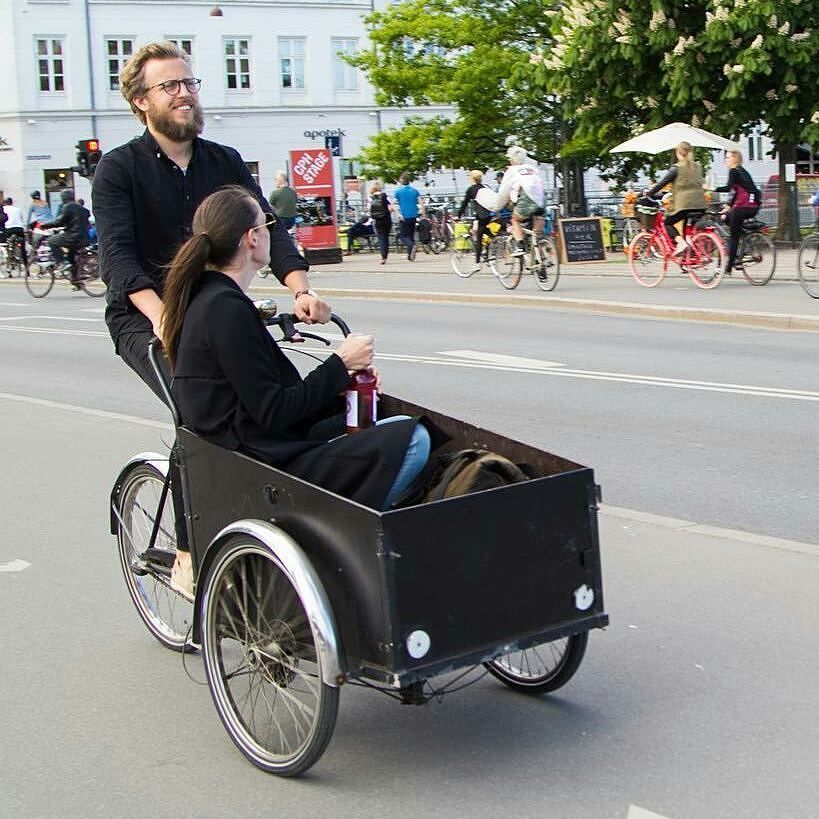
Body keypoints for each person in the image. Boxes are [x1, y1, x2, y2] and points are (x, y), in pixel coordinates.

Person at [92, 40, 330, 598]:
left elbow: (266, 228)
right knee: (195, 415)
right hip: (145, 316)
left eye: (189, 83)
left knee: (267, 403)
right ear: (140, 102)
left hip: (217, 311)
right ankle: (187, 554)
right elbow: (118, 259)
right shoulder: (118, 169)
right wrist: (162, 316)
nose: (184, 94)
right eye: (169, 86)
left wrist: (301, 290)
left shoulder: (221, 161)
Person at [162, 185, 431, 525]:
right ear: (252, 238)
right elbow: (273, 411)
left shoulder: (209, 299)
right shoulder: (224, 309)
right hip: (266, 464)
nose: (273, 232)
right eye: (267, 224)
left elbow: (263, 402)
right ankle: (356, 531)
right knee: (414, 439)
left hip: (250, 451)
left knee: (379, 422)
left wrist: (341, 385)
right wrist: (340, 362)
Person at [644, 141, 707, 256]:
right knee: (686, 233)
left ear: (678, 153)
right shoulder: (698, 167)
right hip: (701, 205)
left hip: (685, 205)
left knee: (667, 223)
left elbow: (662, 183)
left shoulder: (676, 168)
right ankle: (687, 260)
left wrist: (649, 193)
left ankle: (681, 243)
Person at [713, 150, 761, 275]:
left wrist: (712, 188)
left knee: (733, 236)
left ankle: (728, 268)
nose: (726, 160)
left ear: (735, 159)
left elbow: (728, 188)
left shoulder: (733, 171)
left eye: (728, 157)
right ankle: (744, 237)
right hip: (753, 207)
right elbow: (739, 192)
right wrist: (729, 206)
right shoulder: (743, 171)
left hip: (743, 208)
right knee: (728, 219)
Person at [496, 145, 546, 255]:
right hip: (541, 198)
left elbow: (503, 192)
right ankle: (540, 250)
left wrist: (497, 207)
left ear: (512, 159)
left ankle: (520, 246)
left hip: (527, 198)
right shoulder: (533, 168)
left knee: (515, 219)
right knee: (538, 223)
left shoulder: (511, 171)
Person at [40, 190, 90, 284]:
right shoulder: (83, 209)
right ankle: (75, 280)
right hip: (84, 238)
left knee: (52, 241)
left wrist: (45, 225)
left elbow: (59, 221)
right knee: (71, 256)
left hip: (73, 236)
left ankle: (63, 263)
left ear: (63, 198)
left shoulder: (68, 207)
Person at [457, 170, 495, 272]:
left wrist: (459, 215)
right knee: (484, 230)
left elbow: (464, 204)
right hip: (489, 214)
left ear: (472, 179)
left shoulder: (471, 190)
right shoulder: (485, 187)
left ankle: (477, 263)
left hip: (481, 216)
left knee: (479, 237)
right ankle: (494, 239)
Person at [392, 172, 425, 261]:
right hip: (413, 215)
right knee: (410, 235)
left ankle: (412, 246)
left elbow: (394, 204)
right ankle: (410, 256)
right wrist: (423, 214)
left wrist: (398, 213)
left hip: (404, 216)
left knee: (403, 236)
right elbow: (421, 203)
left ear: (401, 181)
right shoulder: (414, 191)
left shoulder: (398, 191)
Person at [1, 197, 29, 271]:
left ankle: (9, 260)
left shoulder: (3, 208)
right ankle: (26, 267)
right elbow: (22, 219)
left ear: (5, 203)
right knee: (23, 248)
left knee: (6, 244)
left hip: (8, 229)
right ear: (12, 202)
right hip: (19, 229)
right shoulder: (18, 209)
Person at [369, 181, 393, 265]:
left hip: (377, 220)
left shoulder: (371, 198)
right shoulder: (385, 196)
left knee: (382, 238)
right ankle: (385, 255)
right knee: (386, 237)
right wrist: (386, 212)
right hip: (387, 219)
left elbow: (369, 209)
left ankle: (383, 257)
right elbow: (391, 208)